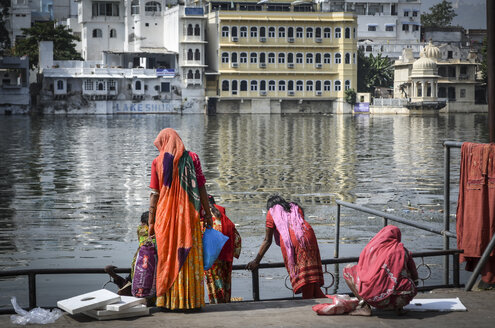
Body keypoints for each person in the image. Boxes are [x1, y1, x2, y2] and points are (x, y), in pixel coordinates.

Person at [148, 128, 213, 310]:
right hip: (188, 218)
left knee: (167, 256)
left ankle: (167, 302)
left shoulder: (157, 162)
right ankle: (190, 301)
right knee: (188, 255)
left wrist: (152, 222)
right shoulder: (193, 158)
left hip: (164, 219)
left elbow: (154, 194)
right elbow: (201, 189)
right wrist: (208, 214)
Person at [246, 195, 325, 299]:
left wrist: (256, 261)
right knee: (309, 275)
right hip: (309, 237)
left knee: (304, 276)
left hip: (295, 241)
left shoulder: (272, 212)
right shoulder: (296, 207)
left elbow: (267, 240)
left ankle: (309, 303)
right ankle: (321, 298)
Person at [343, 225, 419, 316]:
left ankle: (365, 307)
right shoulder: (402, 251)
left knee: (348, 271)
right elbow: (414, 275)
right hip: (396, 298)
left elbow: (362, 268)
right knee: (403, 275)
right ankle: (399, 308)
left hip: (372, 297)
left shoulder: (371, 248)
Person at [204, 195, 242, 303]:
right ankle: (226, 301)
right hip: (227, 253)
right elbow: (237, 237)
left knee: (214, 281)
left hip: (211, 255)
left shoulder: (205, 215)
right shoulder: (223, 215)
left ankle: (216, 303)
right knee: (226, 280)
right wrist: (234, 252)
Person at [104, 211, 151, 296]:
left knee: (136, 275)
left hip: (140, 262)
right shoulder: (151, 232)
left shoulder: (141, 230)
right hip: (146, 262)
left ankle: (123, 282)